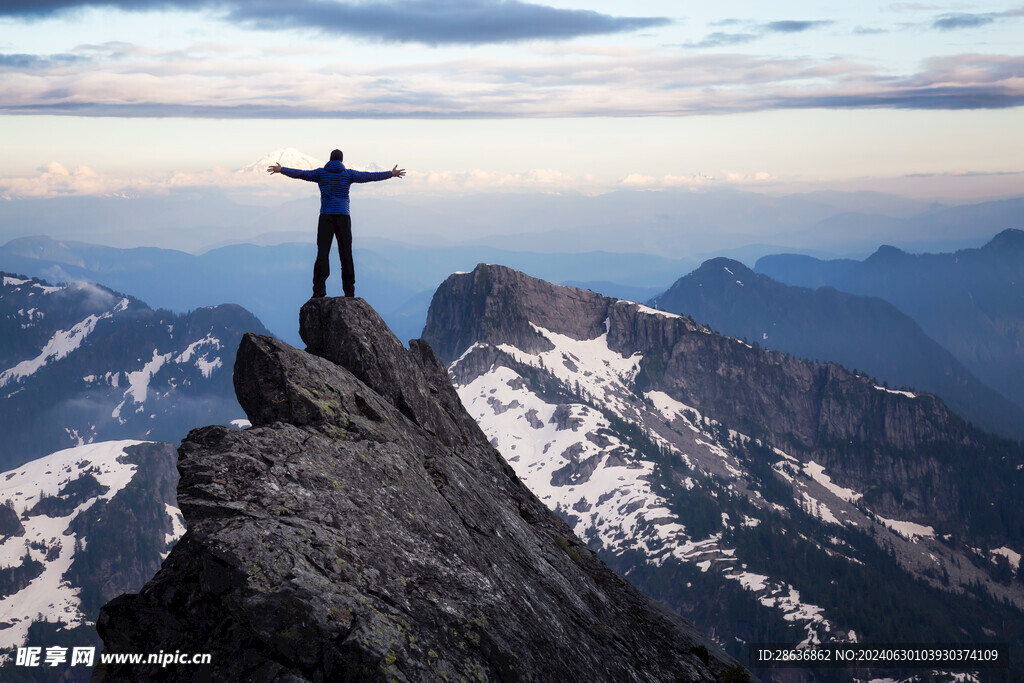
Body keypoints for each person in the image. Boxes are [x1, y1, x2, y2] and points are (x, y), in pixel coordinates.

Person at [268, 149, 405, 298]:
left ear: (330, 159)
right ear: (341, 160)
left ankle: (319, 290)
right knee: (346, 254)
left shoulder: (320, 173)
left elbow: (301, 174)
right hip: (343, 218)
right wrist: (390, 174)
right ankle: (349, 291)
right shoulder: (348, 174)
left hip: (326, 217)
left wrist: (282, 169)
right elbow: (370, 176)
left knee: (322, 253)